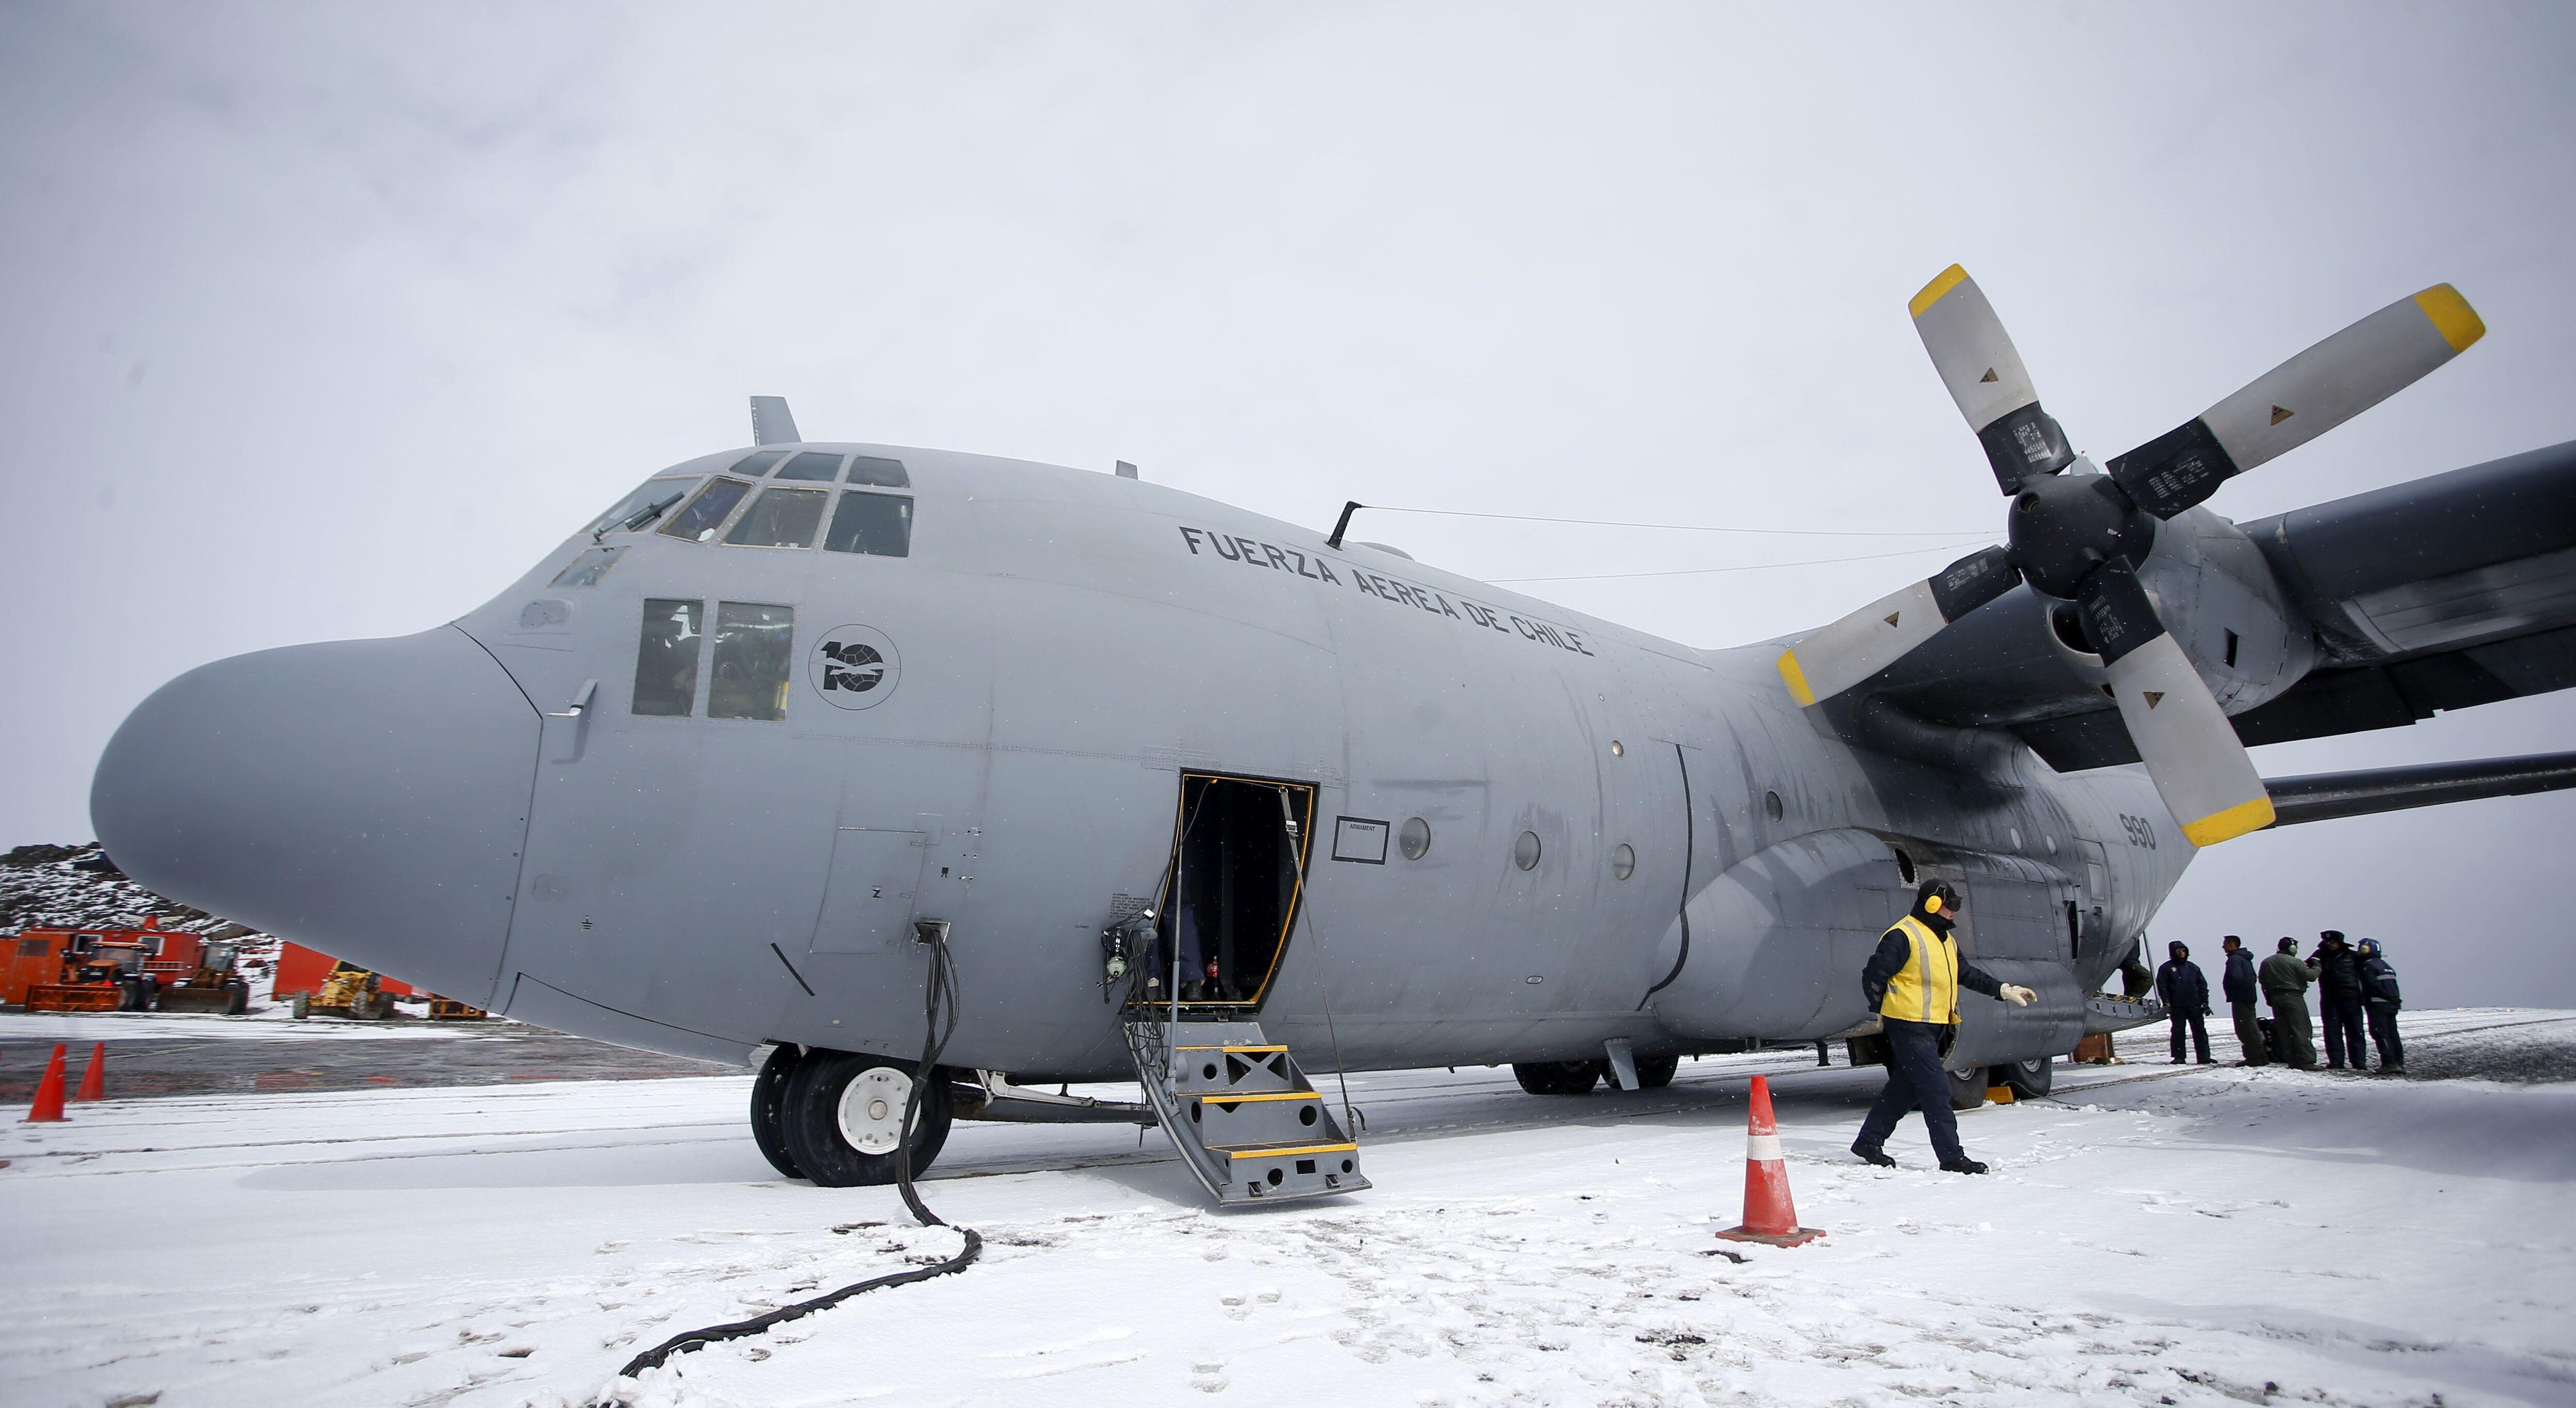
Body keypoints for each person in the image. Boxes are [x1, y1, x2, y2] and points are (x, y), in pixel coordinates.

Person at [1851, 880, 2038, 1175]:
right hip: (1909, 1024)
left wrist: (2003, 989)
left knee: (1907, 1087)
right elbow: (1873, 975)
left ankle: (1869, 1141)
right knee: (1938, 1090)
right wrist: (1882, 1010)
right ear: (1933, 905)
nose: (1954, 913)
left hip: (1934, 1025)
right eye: (1951, 907)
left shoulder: (1944, 940)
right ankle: (1951, 1157)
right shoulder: (1903, 935)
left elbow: (1966, 974)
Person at [2259, 936, 2319, 1070]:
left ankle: (2291, 1059)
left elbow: (2263, 981)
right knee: (2301, 1029)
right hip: (2293, 997)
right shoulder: (2295, 962)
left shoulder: (2266, 962)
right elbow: (2311, 976)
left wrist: (2268, 997)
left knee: (2284, 1031)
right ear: (2292, 948)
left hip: (2276, 998)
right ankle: (2306, 1061)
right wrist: (2317, 966)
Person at [2311, 930, 2367, 1071]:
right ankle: (2336, 1061)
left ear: (2340, 942)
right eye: (2327, 942)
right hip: (2330, 999)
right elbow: (2307, 967)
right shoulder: (2319, 956)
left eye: (2333, 942)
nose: (2330, 944)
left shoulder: (2353, 956)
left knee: (2355, 1031)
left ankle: (2359, 1062)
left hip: (2351, 999)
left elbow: (2365, 975)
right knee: (2332, 1032)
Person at [2357, 938, 2405, 1074]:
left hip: (2378, 1005)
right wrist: (2393, 999)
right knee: (2393, 1034)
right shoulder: (2386, 966)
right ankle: (2399, 1062)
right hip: (2391, 1005)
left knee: (2381, 1033)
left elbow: (2371, 985)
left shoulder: (2368, 966)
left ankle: (2389, 1062)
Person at [2220, 935, 2267, 1066]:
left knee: (2245, 1029)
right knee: (2251, 1026)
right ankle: (2260, 1056)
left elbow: (2235, 978)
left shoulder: (2234, 960)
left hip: (2241, 998)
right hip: (2248, 996)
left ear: (2231, 944)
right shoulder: (2245, 959)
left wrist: (2232, 990)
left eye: (2225, 944)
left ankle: (2254, 1057)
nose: (2223, 947)